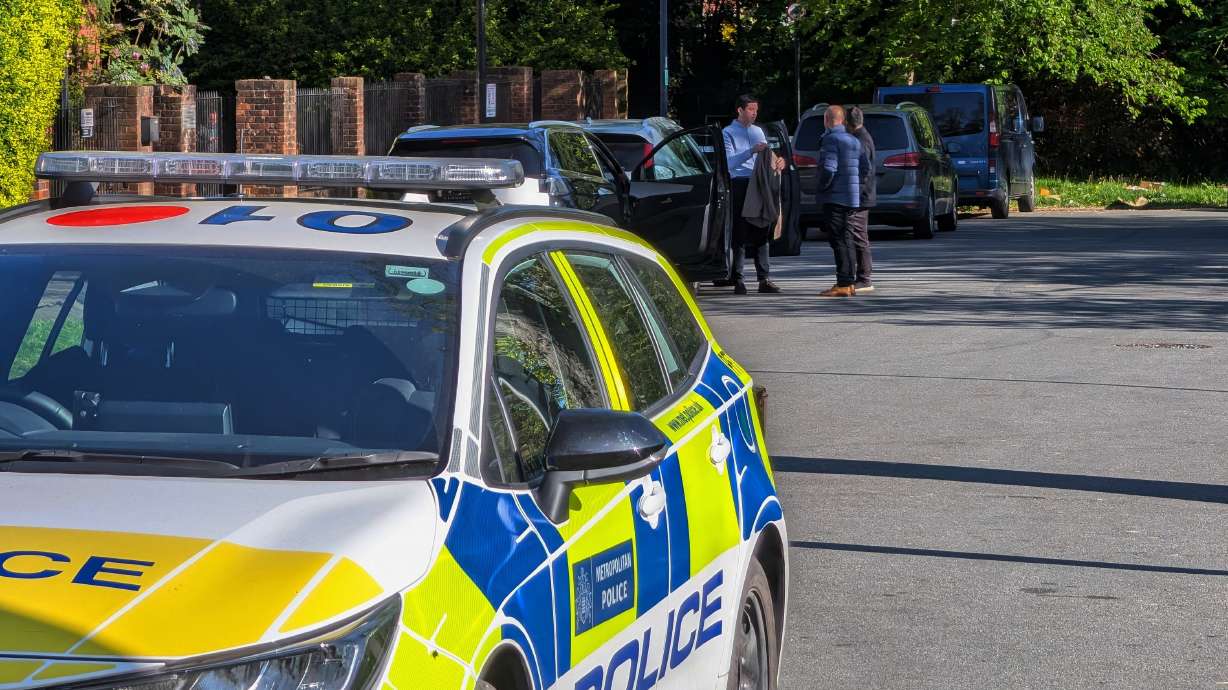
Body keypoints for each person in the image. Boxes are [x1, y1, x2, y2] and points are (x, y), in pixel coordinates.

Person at [720, 94, 784, 295]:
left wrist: (779, 162)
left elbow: (767, 156)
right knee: (740, 232)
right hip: (740, 183)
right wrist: (750, 151)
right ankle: (738, 279)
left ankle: (764, 278)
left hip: (759, 183)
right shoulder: (728, 132)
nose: (754, 113)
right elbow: (729, 163)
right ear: (739, 110)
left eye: (756, 110)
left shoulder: (758, 131)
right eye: (750, 109)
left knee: (762, 228)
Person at [816, 105, 861, 297]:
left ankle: (843, 282)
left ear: (826, 120)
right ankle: (849, 282)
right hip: (851, 197)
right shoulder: (854, 140)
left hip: (835, 196)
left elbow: (828, 169)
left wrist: (822, 187)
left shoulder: (831, 139)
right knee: (847, 238)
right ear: (842, 120)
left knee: (838, 241)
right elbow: (866, 167)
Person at [847, 106, 876, 292]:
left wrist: (854, 192)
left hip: (861, 196)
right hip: (863, 194)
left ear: (847, 123)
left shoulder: (860, 140)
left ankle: (864, 278)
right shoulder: (862, 136)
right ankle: (862, 276)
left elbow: (864, 170)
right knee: (858, 235)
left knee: (859, 236)